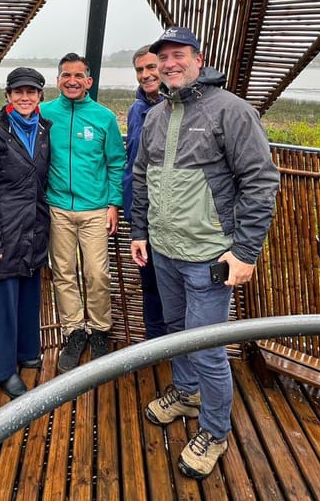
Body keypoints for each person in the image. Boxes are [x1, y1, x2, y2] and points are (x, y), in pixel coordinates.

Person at [130, 27, 279, 481]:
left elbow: (260, 182)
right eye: (163, 58)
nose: (169, 64)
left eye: (178, 55)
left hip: (210, 255)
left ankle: (215, 431)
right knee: (176, 331)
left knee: (208, 347)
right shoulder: (156, 115)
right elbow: (141, 175)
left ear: (198, 58)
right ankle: (187, 391)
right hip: (165, 250)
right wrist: (140, 230)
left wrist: (246, 252)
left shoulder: (231, 111)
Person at [42, 53, 126, 372]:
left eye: (79, 76)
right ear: (58, 79)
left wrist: (113, 204)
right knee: (63, 273)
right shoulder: (44, 113)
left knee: (96, 274)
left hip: (94, 210)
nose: (72, 81)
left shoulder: (103, 117)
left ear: (89, 81)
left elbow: (117, 163)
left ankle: (100, 331)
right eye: (66, 75)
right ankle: (74, 332)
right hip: (57, 208)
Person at [0, 67, 52, 398]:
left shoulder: (44, 130)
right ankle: (1, 369)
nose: (25, 98)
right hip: (3, 227)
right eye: (18, 92)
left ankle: (26, 352)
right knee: (0, 300)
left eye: (31, 92)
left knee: (27, 292)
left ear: (40, 97)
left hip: (33, 225)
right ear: (7, 96)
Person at [121, 45, 166, 340]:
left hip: (170, 213)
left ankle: (180, 352)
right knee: (150, 284)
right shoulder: (136, 110)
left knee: (176, 285)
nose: (146, 75)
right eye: (140, 70)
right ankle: (155, 346)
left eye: (151, 67)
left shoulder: (178, 106)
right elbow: (131, 160)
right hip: (142, 211)